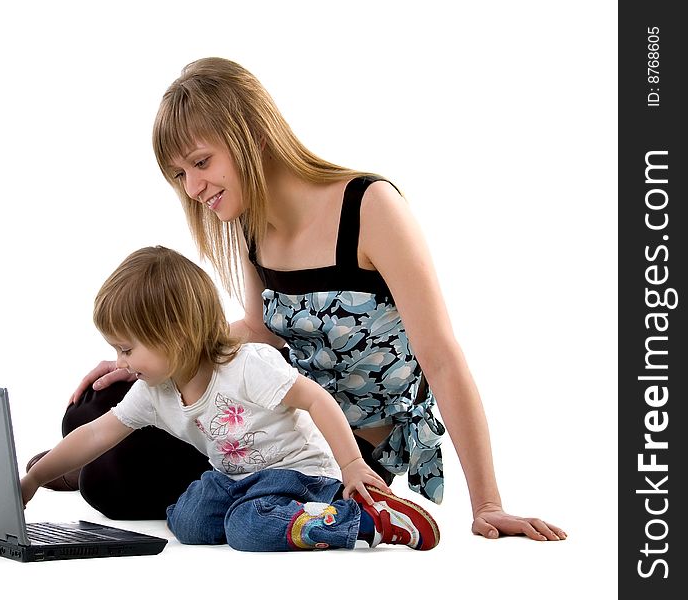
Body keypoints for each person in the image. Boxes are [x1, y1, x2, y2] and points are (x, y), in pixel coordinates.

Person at [37, 57, 566, 542]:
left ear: (252, 136)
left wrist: (488, 502)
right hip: (268, 415)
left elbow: (442, 358)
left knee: (110, 478)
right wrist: (151, 354)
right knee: (95, 408)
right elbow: (257, 334)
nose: (194, 187)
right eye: (180, 175)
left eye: (201, 163)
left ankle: (93, 476)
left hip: (334, 446)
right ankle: (76, 469)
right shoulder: (248, 222)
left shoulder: (370, 206)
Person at [22, 246, 441, 552]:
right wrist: (36, 478)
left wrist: (352, 467)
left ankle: (368, 521)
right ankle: (265, 514)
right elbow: (96, 434)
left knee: (246, 530)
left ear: (175, 334)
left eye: (127, 350)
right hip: (237, 478)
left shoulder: (246, 366)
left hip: (299, 475)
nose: (120, 362)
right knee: (186, 521)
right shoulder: (155, 391)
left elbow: (316, 400)